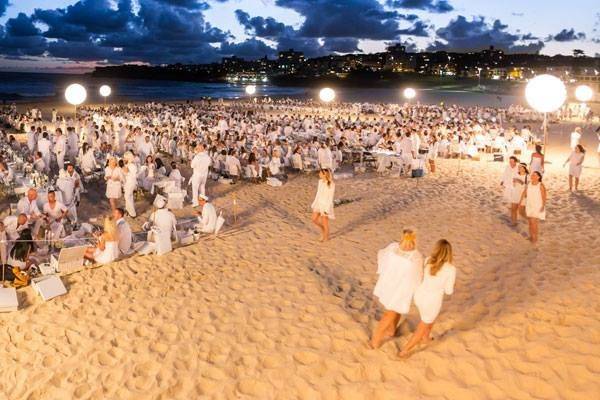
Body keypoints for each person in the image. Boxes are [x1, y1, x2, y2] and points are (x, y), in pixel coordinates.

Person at [399, 239, 456, 358]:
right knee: (424, 324)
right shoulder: (451, 269)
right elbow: (449, 291)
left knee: (430, 319)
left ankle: (426, 337)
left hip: (419, 296)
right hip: (432, 301)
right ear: (449, 253)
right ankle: (405, 350)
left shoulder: (427, 260)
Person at [370, 229, 424, 349]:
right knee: (390, 313)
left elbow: (382, 257)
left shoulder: (393, 247)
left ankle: (391, 330)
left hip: (389, 285)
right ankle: (375, 340)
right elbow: (417, 276)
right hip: (400, 288)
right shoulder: (416, 256)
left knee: (393, 310)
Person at [520, 171, 547, 244]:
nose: (533, 176)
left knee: (534, 222)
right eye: (532, 175)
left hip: (537, 205)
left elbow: (544, 196)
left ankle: (535, 238)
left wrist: (543, 206)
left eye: (535, 175)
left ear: (538, 177)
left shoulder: (540, 185)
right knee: (530, 222)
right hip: (529, 204)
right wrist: (521, 201)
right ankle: (531, 236)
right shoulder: (529, 184)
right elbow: (524, 193)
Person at [311, 169, 335, 242]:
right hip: (319, 203)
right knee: (314, 219)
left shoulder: (331, 184)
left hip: (326, 205)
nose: (319, 174)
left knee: (325, 222)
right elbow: (318, 193)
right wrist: (315, 203)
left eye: (320, 173)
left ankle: (325, 237)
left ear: (325, 174)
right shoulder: (320, 182)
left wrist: (326, 209)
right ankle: (323, 230)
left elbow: (330, 197)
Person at [122, 151, 138, 218]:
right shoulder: (127, 164)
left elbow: (134, 176)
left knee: (127, 197)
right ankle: (128, 210)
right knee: (128, 197)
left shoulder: (132, 165)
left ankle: (132, 213)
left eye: (125, 157)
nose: (123, 158)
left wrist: (128, 172)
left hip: (131, 183)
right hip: (127, 183)